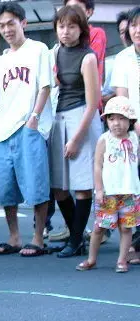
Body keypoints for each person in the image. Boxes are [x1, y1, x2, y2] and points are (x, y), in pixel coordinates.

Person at [0, 3, 53, 257]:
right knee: (5, 188)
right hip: (3, 128)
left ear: (23, 23)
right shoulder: (2, 60)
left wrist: (35, 117)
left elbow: (45, 86)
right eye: (2, 25)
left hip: (29, 125)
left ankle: (37, 237)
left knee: (37, 182)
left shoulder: (38, 50)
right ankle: (14, 237)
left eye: (11, 23)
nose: (6, 29)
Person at [49, 6, 102, 258]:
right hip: (59, 118)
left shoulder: (88, 57)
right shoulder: (56, 52)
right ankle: (77, 237)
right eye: (61, 26)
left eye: (71, 26)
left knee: (81, 186)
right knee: (58, 187)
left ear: (81, 29)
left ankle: (75, 240)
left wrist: (76, 139)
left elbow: (93, 104)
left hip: (82, 118)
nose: (66, 31)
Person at [76, 96, 139, 273]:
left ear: (130, 120)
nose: (116, 123)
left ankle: (121, 260)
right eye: (111, 119)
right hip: (109, 192)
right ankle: (91, 259)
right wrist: (99, 189)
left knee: (126, 228)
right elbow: (97, 165)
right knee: (99, 227)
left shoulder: (134, 139)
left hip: (129, 192)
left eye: (121, 118)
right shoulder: (105, 139)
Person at [111, 6, 140, 136]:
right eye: (133, 25)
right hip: (134, 127)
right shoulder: (122, 58)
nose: (138, 31)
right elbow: (122, 98)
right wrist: (134, 123)